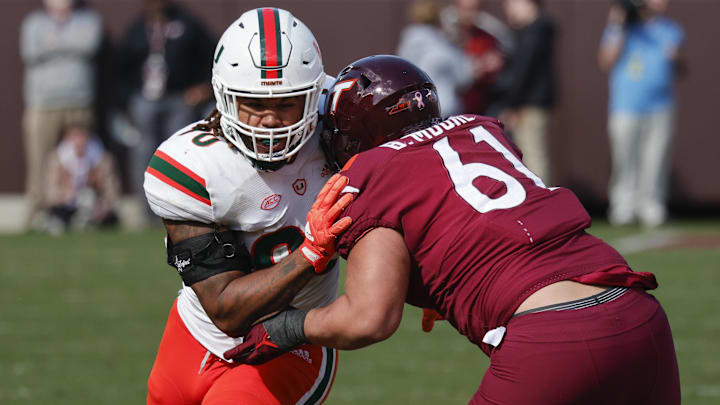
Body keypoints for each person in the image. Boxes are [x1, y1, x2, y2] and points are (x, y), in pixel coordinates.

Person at [225, 55, 680, 405]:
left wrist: (288, 328)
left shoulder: (371, 170)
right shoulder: (484, 130)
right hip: (640, 315)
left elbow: (369, 319)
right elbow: (492, 217)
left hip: (553, 339)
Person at [142, 8, 352, 404]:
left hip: (295, 339)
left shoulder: (345, 130)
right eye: (253, 103)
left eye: (287, 102)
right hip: (198, 330)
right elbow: (226, 309)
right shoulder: (191, 166)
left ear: (314, 96)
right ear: (224, 97)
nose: (270, 119)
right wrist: (312, 252)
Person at [116, 0, 216, 223]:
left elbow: (212, 55)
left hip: (178, 98)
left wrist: (204, 86)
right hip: (145, 99)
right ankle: (148, 214)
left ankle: (181, 210)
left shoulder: (187, 23)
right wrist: (129, 99)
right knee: (143, 152)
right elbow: (121, 68)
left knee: (180, 153)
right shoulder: (137, 29)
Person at [598, 0, 684, 227]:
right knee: (625, 159)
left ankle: (651, 206)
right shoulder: (623, 27)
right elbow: (606, 61)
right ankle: (623, 207)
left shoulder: (670, 29)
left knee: (655, 159)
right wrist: (618, 25)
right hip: (626, 105)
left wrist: (675, 59)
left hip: (660, 105)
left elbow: (678, 67)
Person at [20, 0, 103, 230]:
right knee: (39, 161)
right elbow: (30, 51)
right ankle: (38, 214)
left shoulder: (88, 19)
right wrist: (70, 45)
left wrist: (53, 44)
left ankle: (83, 215)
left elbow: (89, 46)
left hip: (79, 100)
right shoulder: (34, 23)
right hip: (41, 103)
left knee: (83, 161)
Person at [497, 0, 556, 183]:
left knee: (533, 159)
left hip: (528, 105)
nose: (508, 8)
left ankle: (543, 206)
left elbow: (523, 72)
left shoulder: (534, 31)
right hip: (530, 103)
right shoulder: (534, 31)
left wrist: (511, 105)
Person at [397, 0, 474, 116]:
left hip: (417, 110)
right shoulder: (442, 43)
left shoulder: (408, 42)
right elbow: (464, 77)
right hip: (445, 109)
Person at [45, 124, 120, 234]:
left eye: (82, 137)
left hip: (93, 206)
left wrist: (104, 205)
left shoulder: (102, 159)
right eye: (74, 137)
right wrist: (63, 196)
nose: (78, 142)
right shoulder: (57, 159)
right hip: (66, 206)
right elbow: (50, 190)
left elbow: (112, 189)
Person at [441, 0, 510, 115]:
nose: (470, 14)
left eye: (475, 9)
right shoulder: (446, 37)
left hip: (480, 106)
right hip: (453, 108)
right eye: (466, 9)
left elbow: (497, 67)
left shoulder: (486, 38)